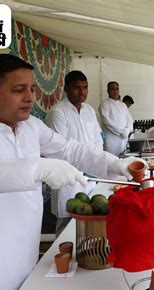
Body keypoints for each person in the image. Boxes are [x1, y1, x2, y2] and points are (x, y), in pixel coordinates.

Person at [0, 54, 143, 290]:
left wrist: (111, 163)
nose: (30, 98)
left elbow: (71, 149)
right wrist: (36, 169)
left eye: (32, 89)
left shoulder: (31, 126)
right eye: (19, 90)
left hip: (27, 248)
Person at [45, 70, 104, 235]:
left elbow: (98, 139)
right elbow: (59, 150)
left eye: (85, 87)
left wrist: (97, 165)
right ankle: (60, 257)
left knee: (90, 222)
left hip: (90, 176)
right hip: (69, 177)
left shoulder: (89, 110)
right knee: (66, 226)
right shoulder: (58, 112)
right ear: (66, 88)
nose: (82, 92)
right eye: (76, 88)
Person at [99, 82, 133, 155]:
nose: (115, 91)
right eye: (112, 89)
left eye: (117, 89)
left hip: (123, 139)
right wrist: (120, 132)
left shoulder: (123, 105)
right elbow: (107, 121)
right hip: (111, 140)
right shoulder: (104, 104)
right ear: (108, 91)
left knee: (123, 160)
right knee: (111, 161)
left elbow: (130, 120)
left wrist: (127, 130)